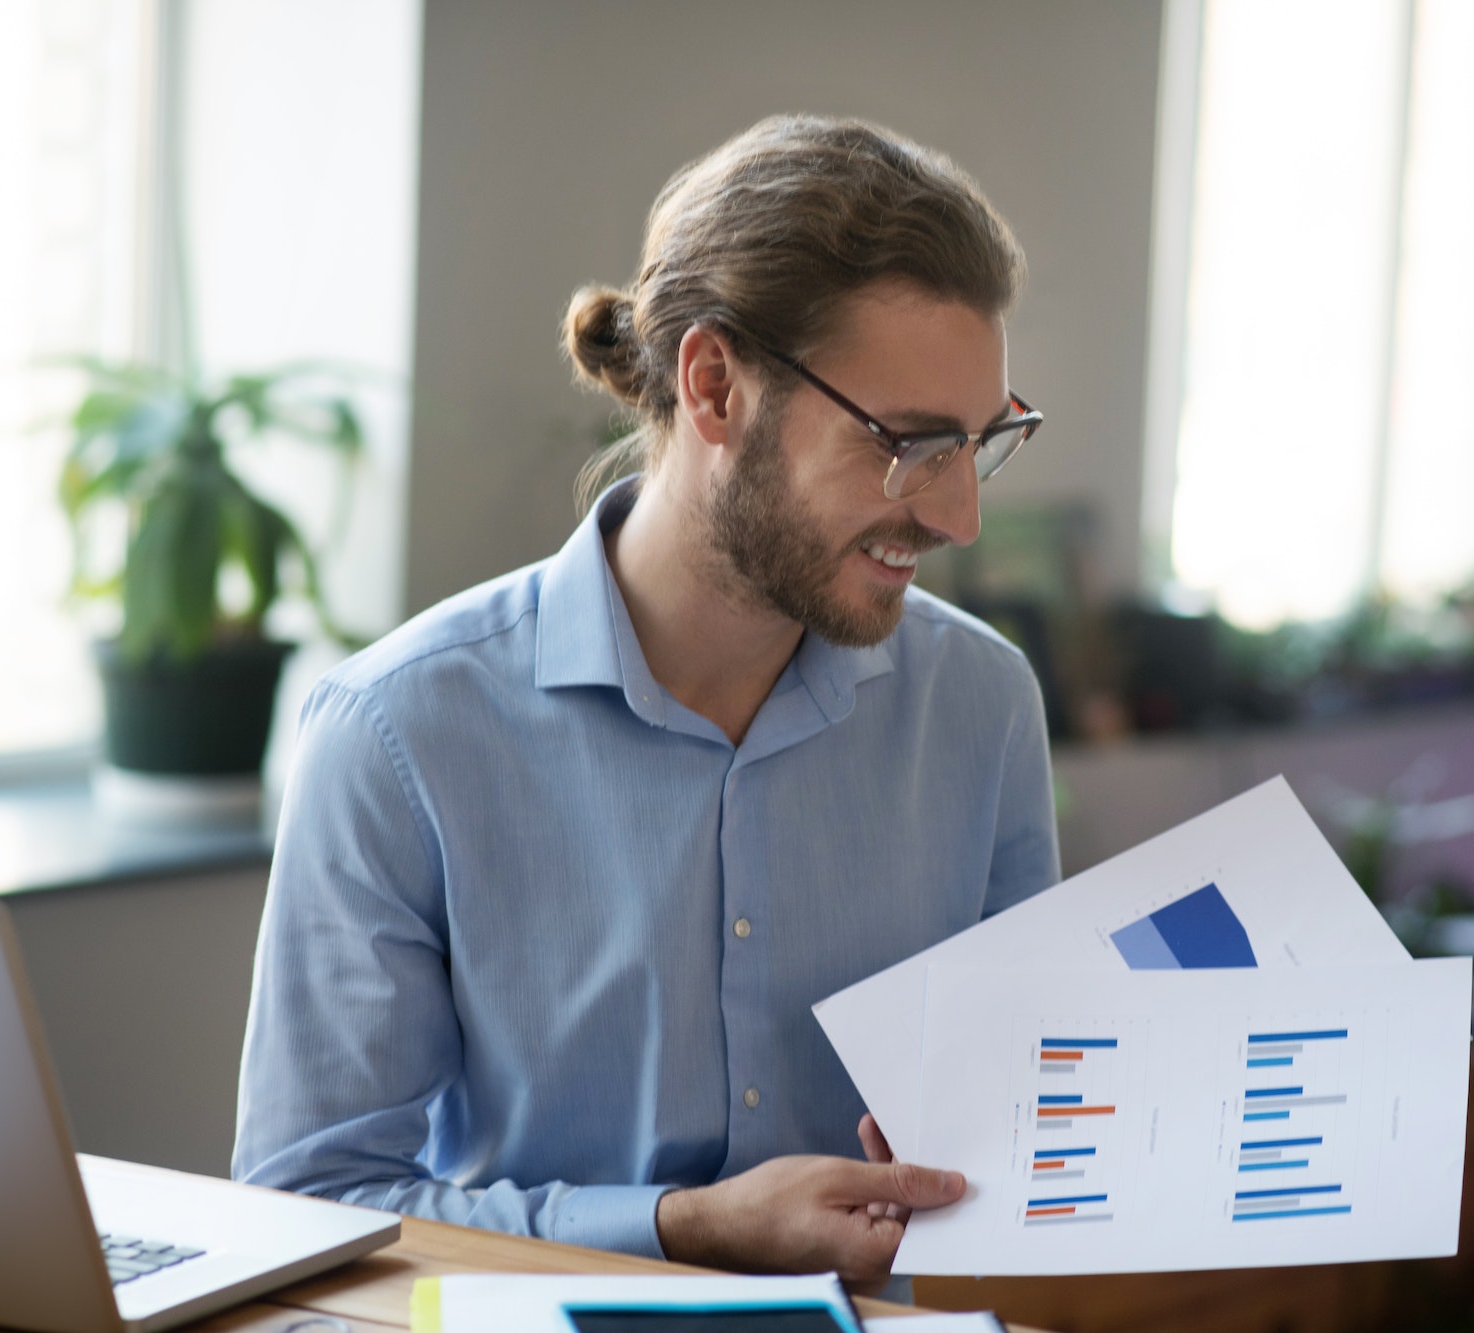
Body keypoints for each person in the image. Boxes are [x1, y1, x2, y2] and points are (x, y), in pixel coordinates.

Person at [233, 113, 1060, 1287]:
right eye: (908, 444)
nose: (957, 516)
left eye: (981, 443)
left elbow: (1036, 1114)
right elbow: (307, 1205)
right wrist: (686, 1227)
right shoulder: (395, 733)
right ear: (713, 384)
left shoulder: (980, 703)